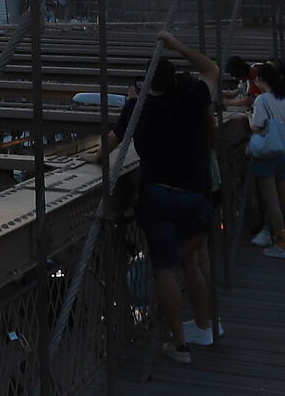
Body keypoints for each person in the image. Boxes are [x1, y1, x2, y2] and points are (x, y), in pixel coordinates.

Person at [103, 33, 223, 362]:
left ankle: (180, 345)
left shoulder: (139, 110)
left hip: (156, 197)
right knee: (193, 264)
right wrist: (177, 45)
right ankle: (205, 325)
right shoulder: (194, 99)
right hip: (195, 198)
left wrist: (131, 101)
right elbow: (211, 69)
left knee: (165, 269)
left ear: (147, 85)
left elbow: (109, 148)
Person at [248, 62, 285, 259]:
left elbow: (257, 127)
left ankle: (281, 244)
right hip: (284, 153)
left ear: (262, 80)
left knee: (272, 201)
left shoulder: (262, 100)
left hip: (266, 156)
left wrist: (250, 120)